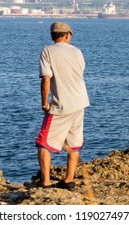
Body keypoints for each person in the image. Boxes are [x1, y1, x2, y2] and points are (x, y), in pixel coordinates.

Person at [34, 21, 90, 190]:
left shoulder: (47, 51)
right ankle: (69, 180)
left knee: (43, 143)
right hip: (80, 102)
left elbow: (46, 79)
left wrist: (44, 102)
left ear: (53, 35)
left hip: (61, 104)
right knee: (73, 142)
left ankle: (45, 183)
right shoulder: (77, 52)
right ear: (67, 35)